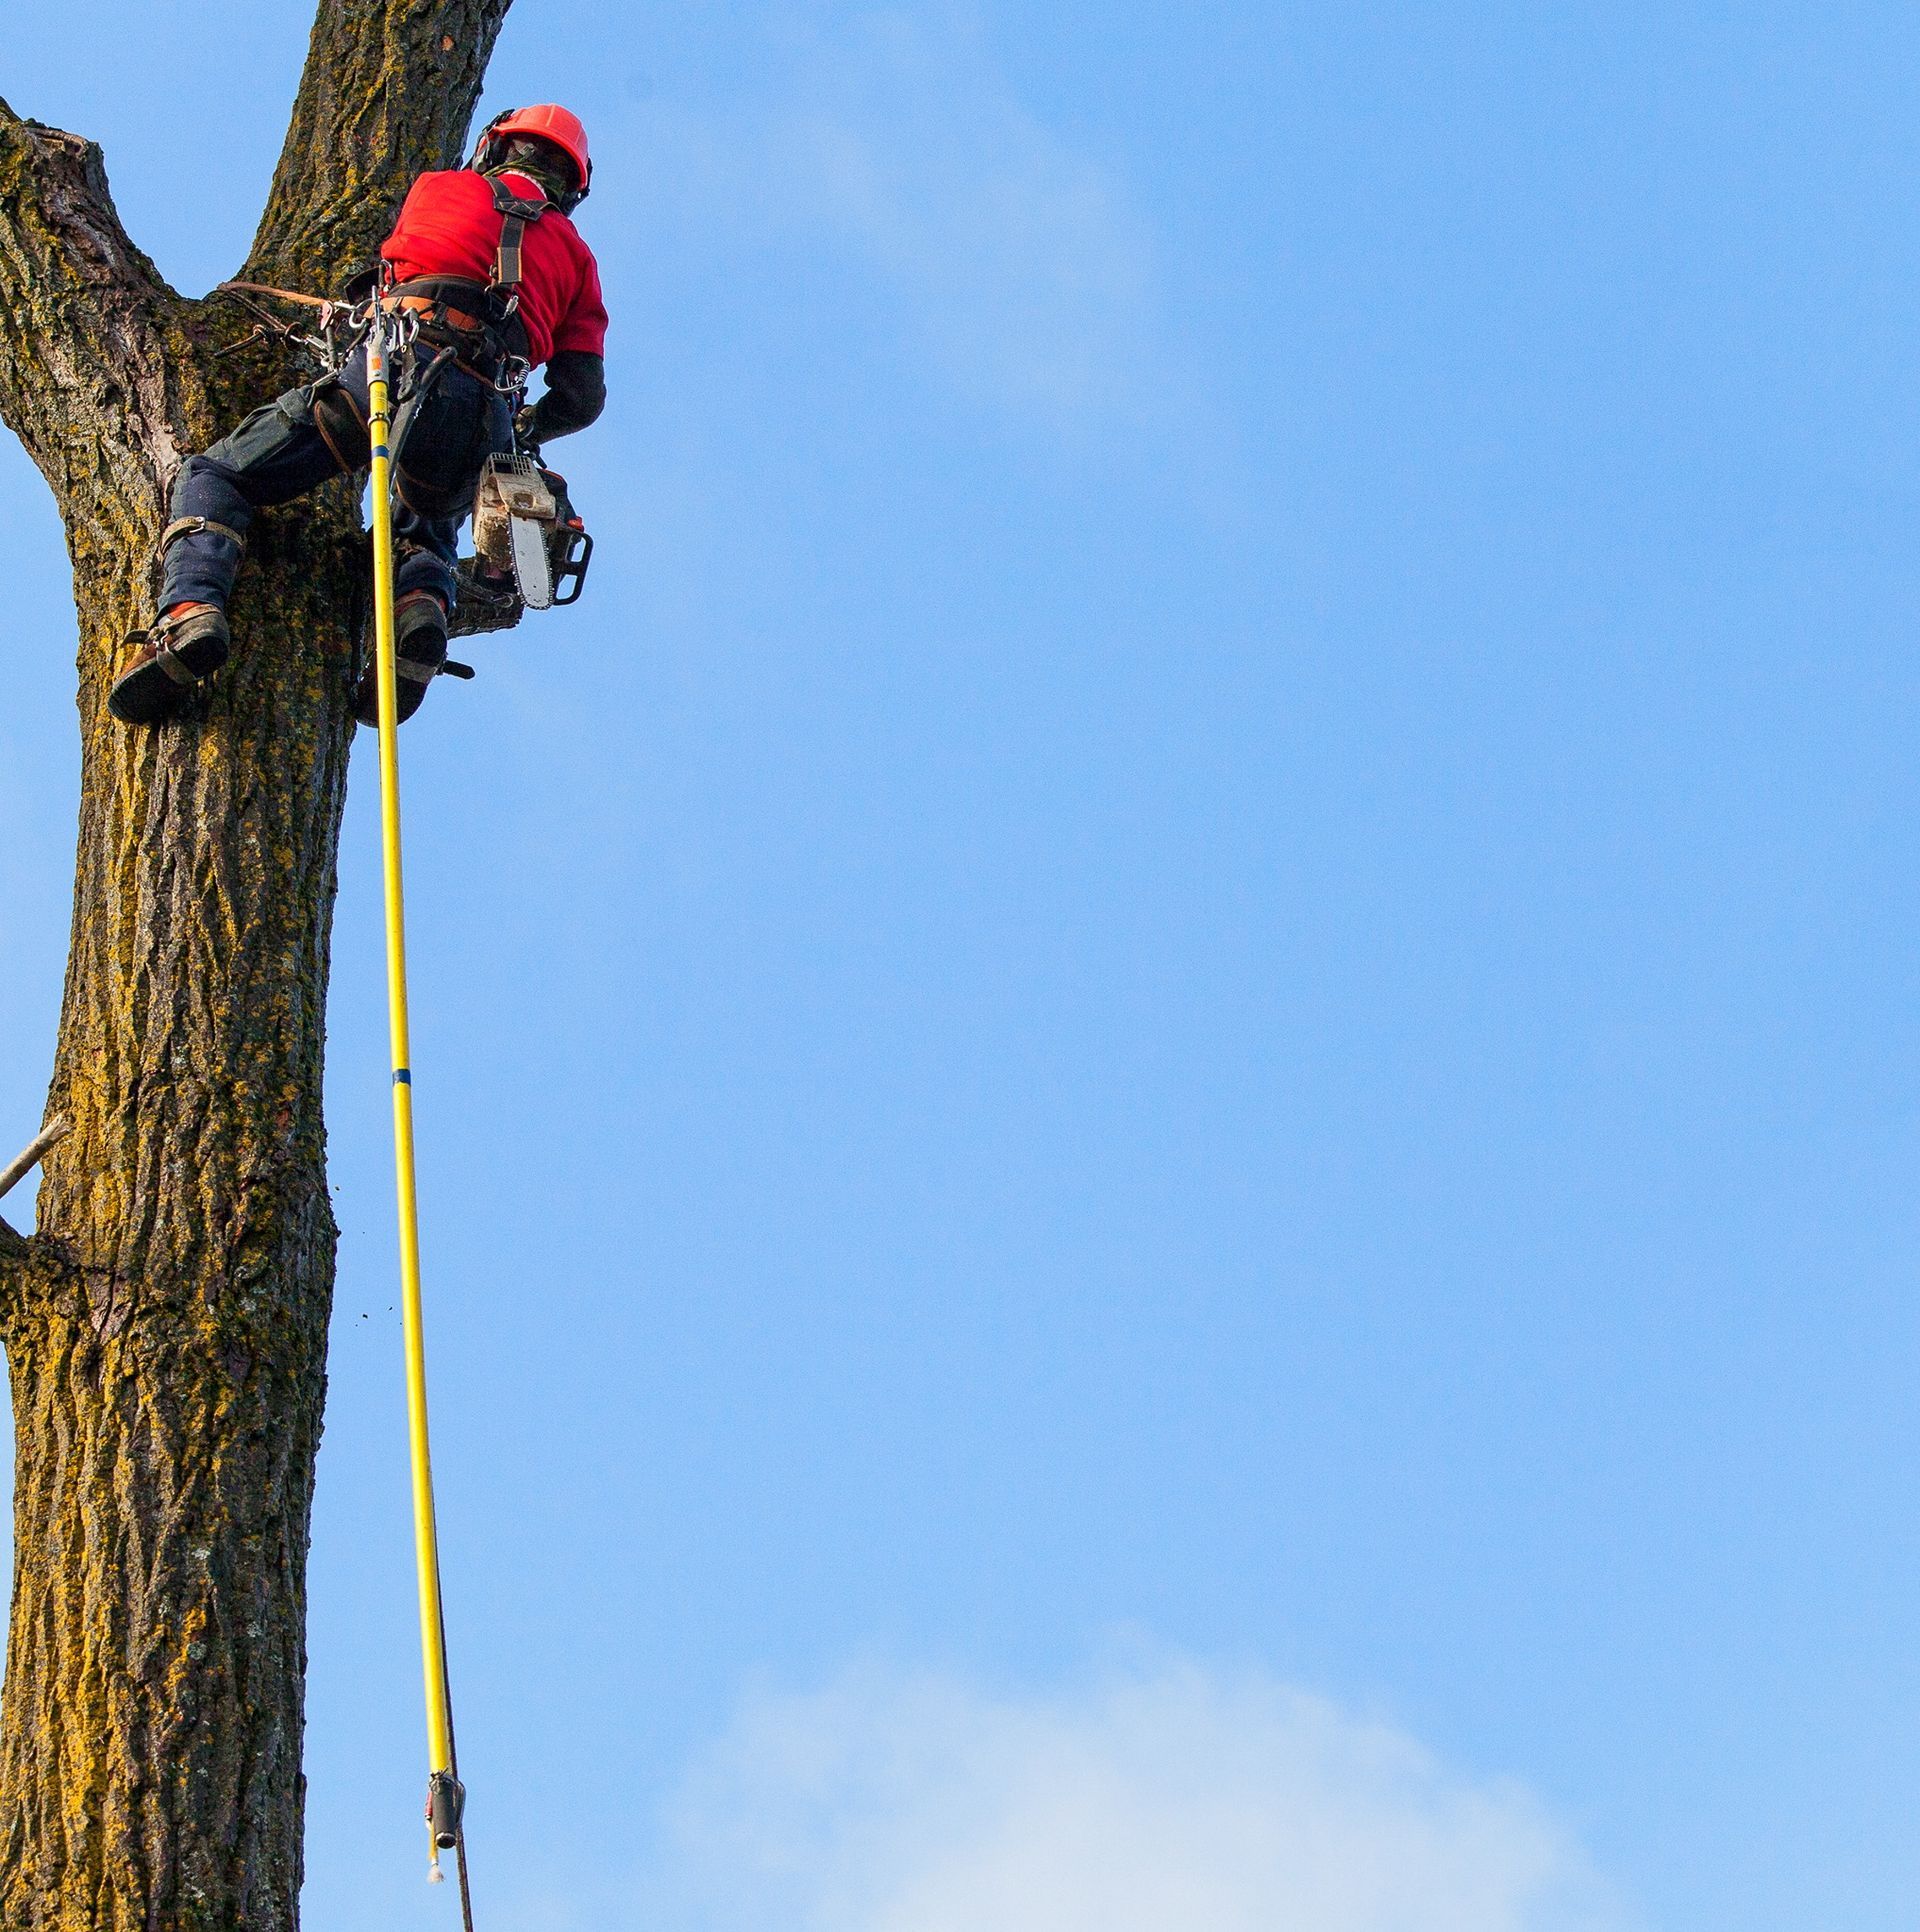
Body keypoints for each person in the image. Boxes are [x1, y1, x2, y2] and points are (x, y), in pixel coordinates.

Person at [110, 104, 609, 728]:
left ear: (494, 148)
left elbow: (387, 273)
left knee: (217, 475)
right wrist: (526, 430)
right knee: (425, 527)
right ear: (573, 184)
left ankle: (189, 613)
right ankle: (420, 607)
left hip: (392, 367)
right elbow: (582, 396)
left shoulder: (441, 188)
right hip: (484, 417)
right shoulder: (577, 260)